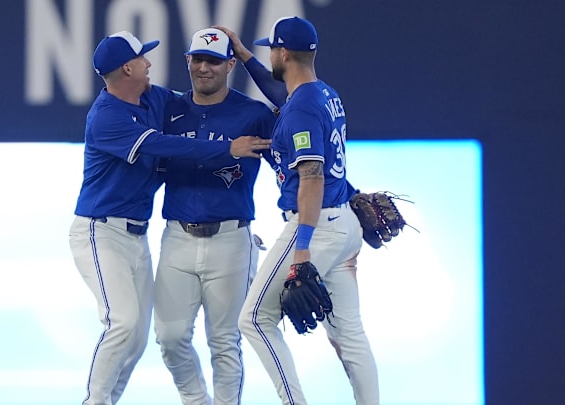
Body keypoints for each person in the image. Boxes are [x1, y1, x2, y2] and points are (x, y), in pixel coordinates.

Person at [69, 31, 270, 405]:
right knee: (128, 324)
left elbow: (291, 123)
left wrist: (246, 57)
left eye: (213, 60)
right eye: (143, 58)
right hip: (101, 229)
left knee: (142, 335)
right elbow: (164, 145)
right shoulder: (106, 117)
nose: (149, 63)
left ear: (227, 64)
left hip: (143, 235)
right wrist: (227, 147)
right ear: (128, 67)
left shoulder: (157, 100)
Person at [215, 17, 380, 405]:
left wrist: (302, 250)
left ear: (283, 52)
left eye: (270, 48)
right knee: (350, 334)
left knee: (254, 319)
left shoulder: (301, 109)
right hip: (342, 223)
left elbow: (311, 177)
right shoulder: (322, 93)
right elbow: (284, 95)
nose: (268, 54)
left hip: (314, 226)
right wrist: (246, 57)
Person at [153, 28, 276, 405]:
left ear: (230, 64)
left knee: (224, 341)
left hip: (230, 238)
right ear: (187, 60)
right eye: (198, 59)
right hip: (177, 234)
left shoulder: (253, 114)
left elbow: (295, 163)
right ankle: (196, 400)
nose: (204, 68)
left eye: (214, 61)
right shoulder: (169, 110)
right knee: (170, 337)